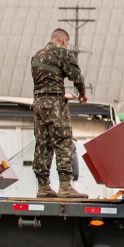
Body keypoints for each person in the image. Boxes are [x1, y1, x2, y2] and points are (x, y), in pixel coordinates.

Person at [30, 28, 88, 199]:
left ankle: (43, 187)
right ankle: (65, 186)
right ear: (64, 41)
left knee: (43, 144)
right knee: (63, 140)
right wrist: (82, 93)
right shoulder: (62, 52)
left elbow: (45, 85)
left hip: (39, 103)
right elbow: (76, 76)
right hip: (55, 104)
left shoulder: (36, 56)